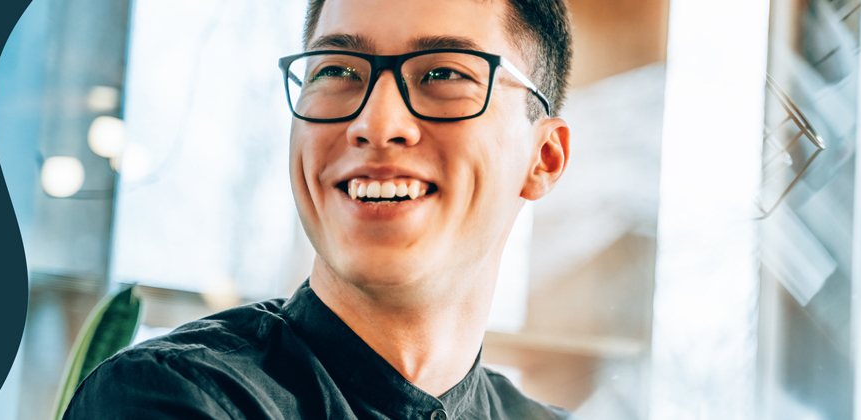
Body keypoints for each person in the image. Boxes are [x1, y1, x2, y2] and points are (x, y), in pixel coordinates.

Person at [62, 0, 575, 418]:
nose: (376, 124)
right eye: (337, 70)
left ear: (543, 159)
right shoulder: (172, 396)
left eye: (443, 72)